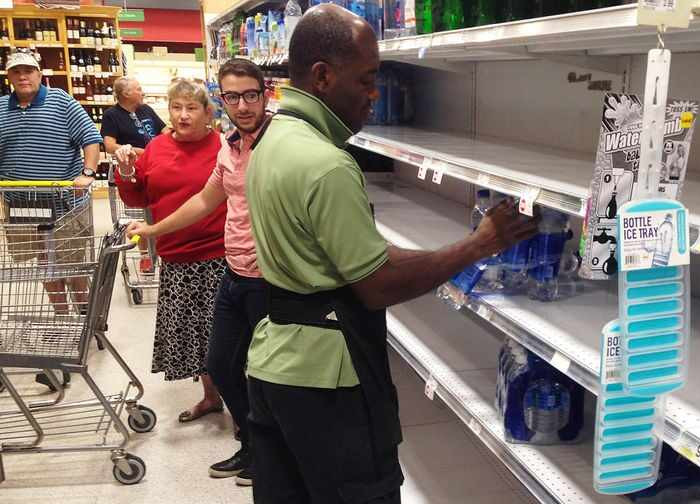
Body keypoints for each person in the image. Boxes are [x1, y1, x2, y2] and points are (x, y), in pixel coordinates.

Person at [244, 6, 538, 503]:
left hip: (274, 360)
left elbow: (335, 252)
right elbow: (378, 285)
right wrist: (479, 243)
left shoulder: (274, 139)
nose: (375, 94)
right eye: (366, 79)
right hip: (327, 377)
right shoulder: (327, 164)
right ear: (322, 76)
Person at [126, 59, 270, 487]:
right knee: (220, 363)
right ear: (222, 102)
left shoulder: (277, 142)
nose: (242, 105)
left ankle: (266, 454)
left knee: (263, 370)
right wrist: (153, 230)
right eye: (232, 96)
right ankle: (252, 443)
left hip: (264, 275)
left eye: (250, 95)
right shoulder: (231, 146)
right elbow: (205, 200)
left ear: (264, 95)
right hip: (234, 272)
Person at [114, 79, 227, 425]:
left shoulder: (223, 146)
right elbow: (137, 197)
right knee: (194, 334)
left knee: (227, 337)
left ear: (208, 113)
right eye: (176, 107)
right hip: (176, 257)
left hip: (220, 256)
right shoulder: (157, 147)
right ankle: (211, 397)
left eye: (191, 108)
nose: (183, 115)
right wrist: (127, 170)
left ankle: (243, 405)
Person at [0, 51, 101, 390]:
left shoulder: (61, 102)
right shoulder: (1, 109)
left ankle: (84, 317)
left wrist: (88, 173)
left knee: (72, 264)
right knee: (44, 264)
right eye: (16, 72)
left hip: (64, 201)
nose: (23, 76)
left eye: (28, 70)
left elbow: (90, 139)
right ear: (9, 77)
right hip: (21, 204)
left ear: (39, 74)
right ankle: (62, 318)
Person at [101, 76, 168, 273]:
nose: (142, 92)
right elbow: (109, 145)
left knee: (159, 211)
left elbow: (164, 131)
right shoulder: (112, 115)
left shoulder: (146, 109)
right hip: (133, 169)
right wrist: (135, 151)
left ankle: (161, 250)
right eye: (138, 89)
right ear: (126, 93)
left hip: (158, 166)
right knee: (139, 214)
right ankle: (145, 255)